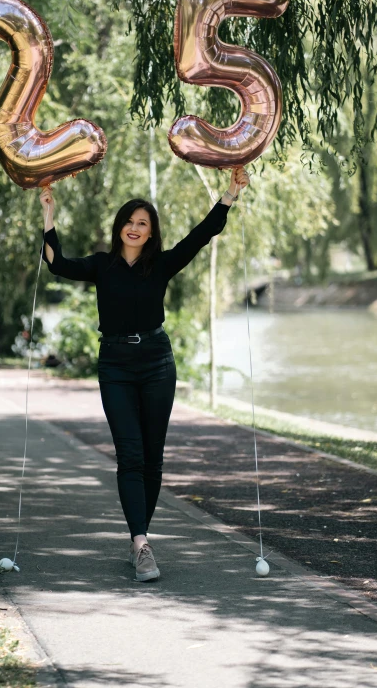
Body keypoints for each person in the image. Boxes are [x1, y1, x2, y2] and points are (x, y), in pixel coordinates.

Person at [39, 167, 250, 581]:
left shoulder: (163, 264)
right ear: (119, 227)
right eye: (129, 222)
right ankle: (141, 543)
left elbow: (202, 234)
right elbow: (58, 264)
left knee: (153, 458)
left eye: (143, 224)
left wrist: (230, 193)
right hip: (115, 365)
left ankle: (141, 535)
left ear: (151, 233)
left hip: (157, 362)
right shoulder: (101, 266)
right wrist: (48, 214)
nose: (134, 229)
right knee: (130, 455)